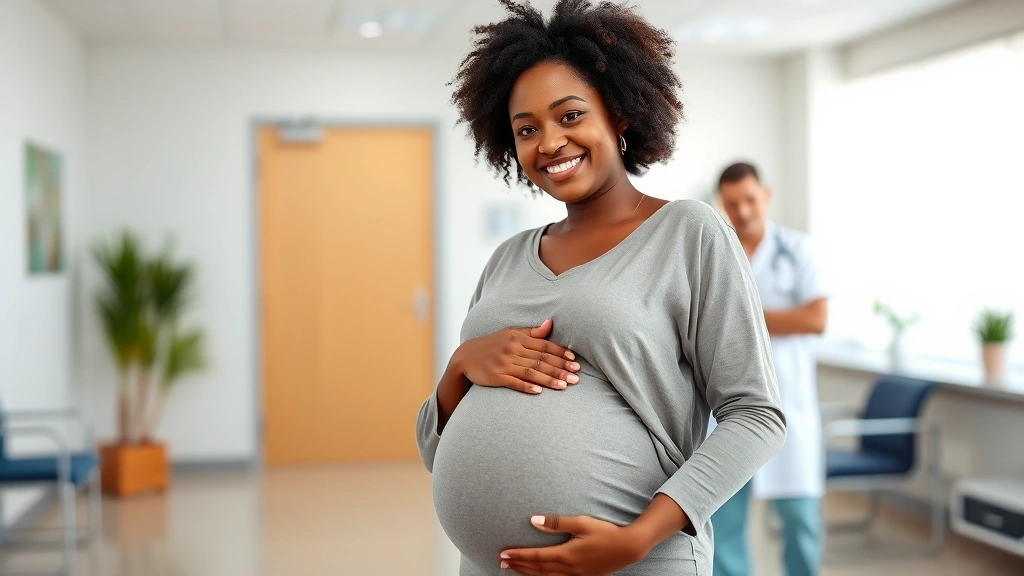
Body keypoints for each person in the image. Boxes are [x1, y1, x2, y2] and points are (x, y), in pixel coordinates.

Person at [415, 2, 786, 574]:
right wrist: (460, 367)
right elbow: (435, 450)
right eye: (527, 129)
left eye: (570, 115)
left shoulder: (688, 232)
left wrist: (638, 538)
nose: (550, 143)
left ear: (620, 115)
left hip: (635, 561)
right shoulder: (507, 259)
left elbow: (756, 415)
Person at [712, 162, 828, 576]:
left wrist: (746, 318)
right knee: (723, 520)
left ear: (766, 195)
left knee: (800, 519)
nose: (741, 212)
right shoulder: (716, 254)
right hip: (726, 410)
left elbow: (816, 319)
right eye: (731, 204)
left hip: (787, 404)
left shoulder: (796, 249)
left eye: (748, 200)